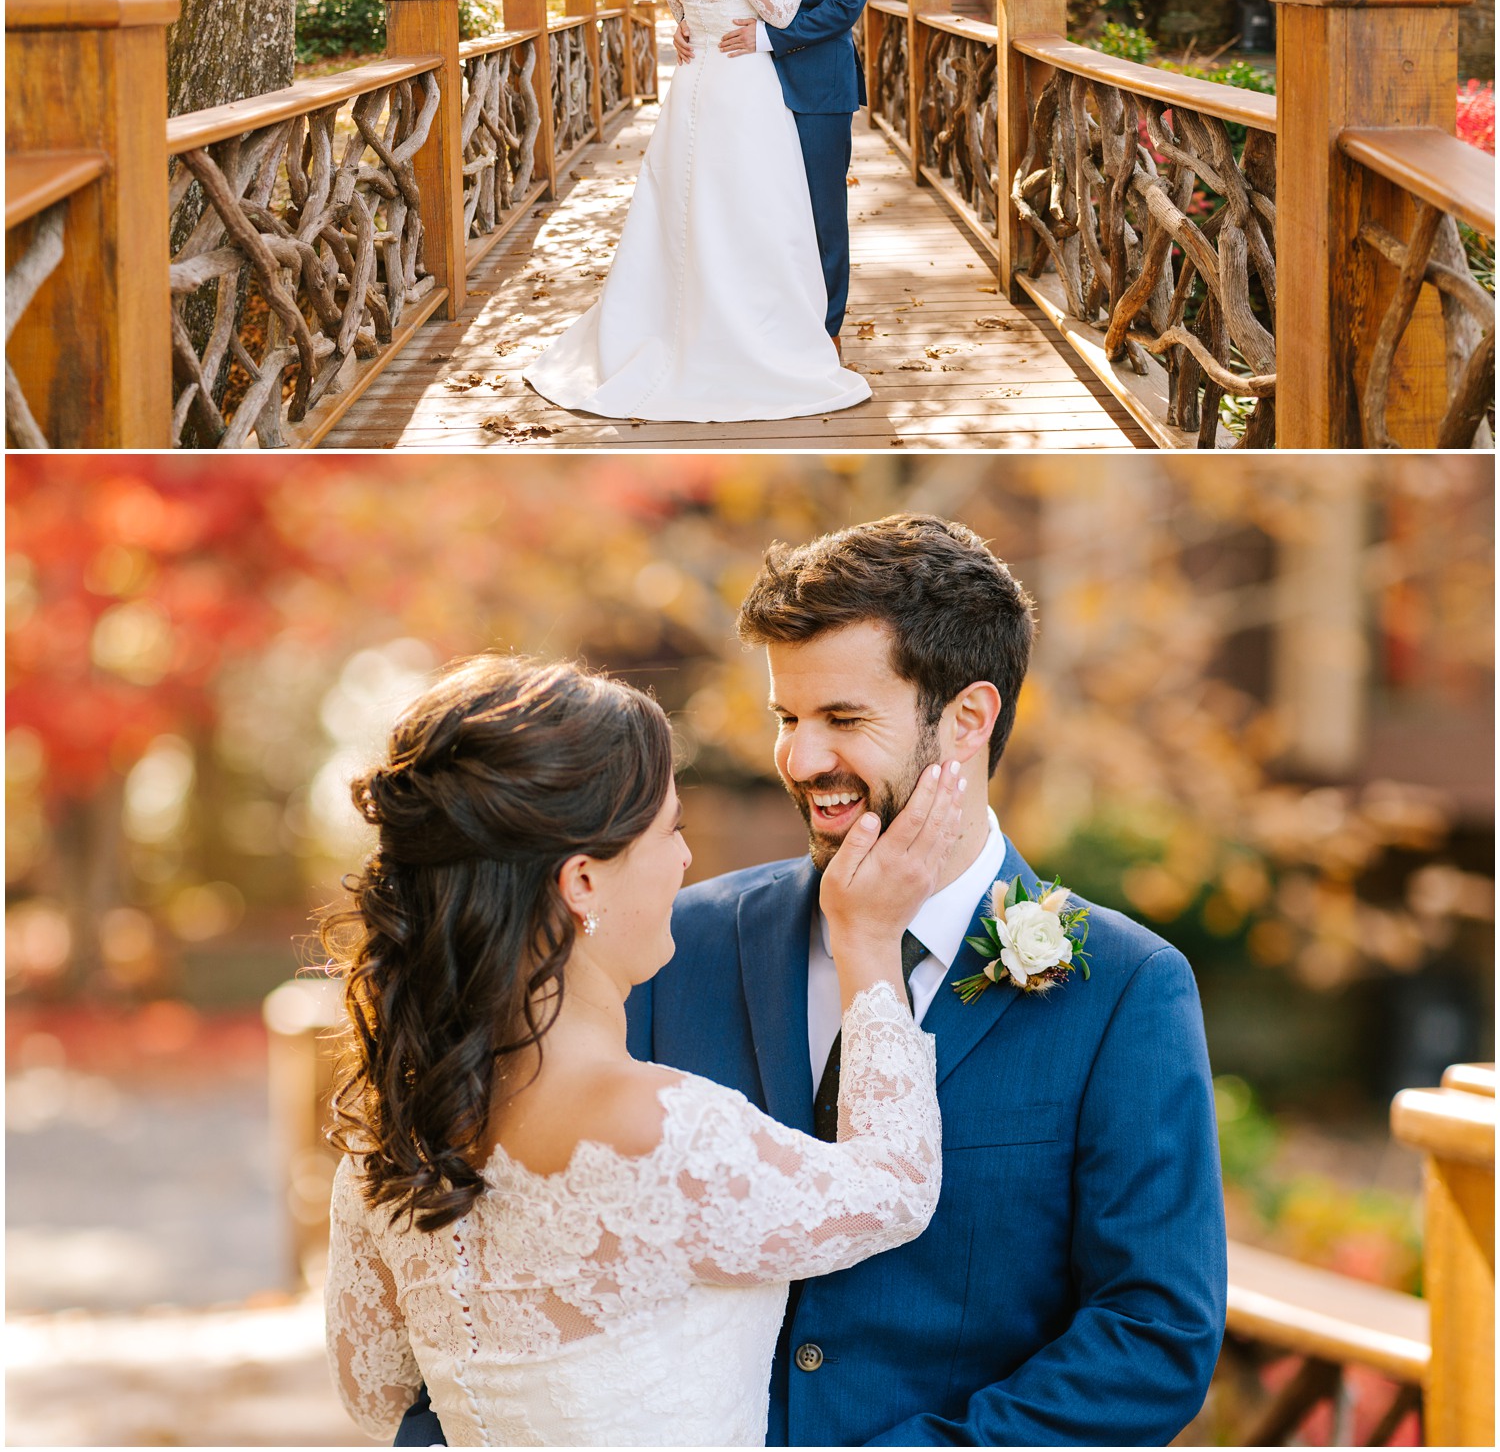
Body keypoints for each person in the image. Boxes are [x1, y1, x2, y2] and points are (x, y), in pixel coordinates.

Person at [629, 514, 1229, 1446]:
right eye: (788, 718)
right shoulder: (677, 947)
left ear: (969, 718)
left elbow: (1153, 1337)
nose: (800, 759)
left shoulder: (1126, 989)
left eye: (845, 719)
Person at [323, 654, 963, 1448]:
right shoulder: (659, 1131)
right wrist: (868, 940)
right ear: (583, 882)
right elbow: (895, 1188)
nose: (687, 860)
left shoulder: (391, 1144)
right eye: (671, 830)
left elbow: (377, 1395)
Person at [524, 0, 870, 422]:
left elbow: (681, 16)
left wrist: (687, 30)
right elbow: (780, 15)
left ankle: (676, 324)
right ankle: (749, 333)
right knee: (754, 209)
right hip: (743, 92)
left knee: (687, 207)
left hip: (692, 92)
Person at [673, 0, 884, 348]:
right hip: (749, 90)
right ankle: (760, 319)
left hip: (818, 89)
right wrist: (688, 27)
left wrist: (765, 40)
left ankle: (825, 330)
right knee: (757, 206)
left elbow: (843, 9)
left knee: (821, 212)